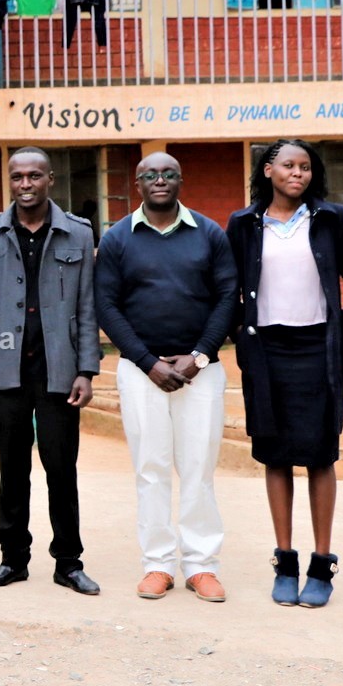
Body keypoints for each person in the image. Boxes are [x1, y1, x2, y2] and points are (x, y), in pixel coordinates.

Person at [226, 140, 343, 608]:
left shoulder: (330, 220)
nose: (299, 174)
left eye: (306, 167)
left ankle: (321, 564)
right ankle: (285, 563)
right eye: (289, 166)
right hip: (266, 350)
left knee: (319, 455)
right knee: (275, 454)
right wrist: (239, 335)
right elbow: (228, 287)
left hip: (318, 350)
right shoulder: (244, 224)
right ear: (268, 170)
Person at [94, 152, 237, 602]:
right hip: (141, 373)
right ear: (137, 183)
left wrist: (198, 356)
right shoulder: (118, 238)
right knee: (151, 469)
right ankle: (158, 564)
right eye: (150, 175)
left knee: (198, 467)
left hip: (202, 372)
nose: (160, 180)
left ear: (180, 179)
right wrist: (147, 362)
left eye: (168, 174)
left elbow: (228, 296)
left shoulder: (209, 234)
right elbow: (107, 306)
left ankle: (201, 566)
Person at [0, 147, 102, 596]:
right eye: (18, 177)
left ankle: (68, 562)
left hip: (59, 370)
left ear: (50, 180)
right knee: (12, 469)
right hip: (5, 372)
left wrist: (87, 368)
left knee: (61, 468)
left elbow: (86, 306)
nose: (25, 184)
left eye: (34, 176)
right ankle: (13, 560)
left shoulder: (78, 234)